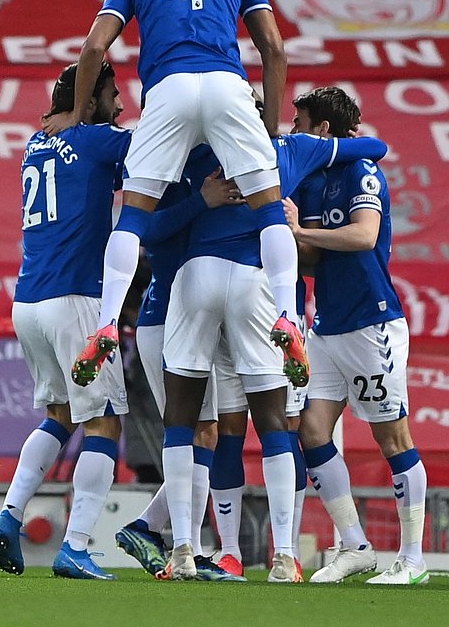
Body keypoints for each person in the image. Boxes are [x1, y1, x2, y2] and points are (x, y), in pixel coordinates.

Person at [41, 0, 307, 396]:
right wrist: (267, 125)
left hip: (166, 92)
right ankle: (287, 315)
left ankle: (104, 324)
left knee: (132, 218)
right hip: (226, 85)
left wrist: (79, 111)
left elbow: (93, 49)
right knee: (267, 210)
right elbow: (274, 49)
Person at [155, 109, 389, 582]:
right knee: (276, 423)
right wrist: (327, 144)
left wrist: (201, 201)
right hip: (255, 282)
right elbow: (374, 148)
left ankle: (183, 549)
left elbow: (151, 231)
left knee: (185, 420)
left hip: (195, 276)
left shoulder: (189, 155)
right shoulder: (287, 149)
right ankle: (284, 556)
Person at [0, 62, 131, 581]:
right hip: (76, 299)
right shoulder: (96, 140)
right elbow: (160, 145)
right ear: (88, 102)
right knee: (104, 420)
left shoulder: (35, 142)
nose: (120, 107)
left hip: (27, 300)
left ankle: (9, 511)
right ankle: (76, 545)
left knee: (60, 415)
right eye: (113, 95)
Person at [285, 86, 428, 587]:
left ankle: (412, 558)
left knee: (392, 436)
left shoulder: (361, 171)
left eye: (300, 123)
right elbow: (314, 260)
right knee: (311, 431)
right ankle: (355, 546)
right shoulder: (312, 179)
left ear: (323, 128)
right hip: (326, 325)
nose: (293, 130)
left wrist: (301, 233)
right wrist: (288, 236)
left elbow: (364, 235)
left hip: (372, 321)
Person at [115, 151, 247, 581]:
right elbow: (144, 232)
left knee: (204, 432)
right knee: (191, 431)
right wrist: (201, 202)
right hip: (163, 320)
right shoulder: (172, 170)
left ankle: (153, 529)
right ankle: (181, 548)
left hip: (189, 320)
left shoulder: (222, 167)